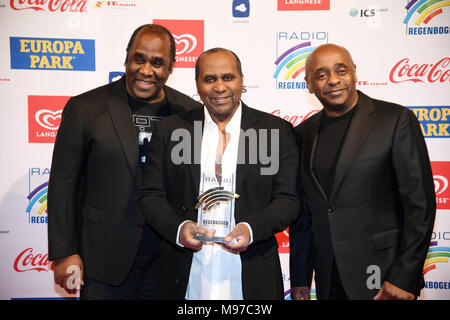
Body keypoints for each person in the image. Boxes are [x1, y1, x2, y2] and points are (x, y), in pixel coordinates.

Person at [47, 24, 202, 299]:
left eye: (157, 63)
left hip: (168, 259)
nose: (145, 70)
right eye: (138, 59)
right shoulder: (85, 108)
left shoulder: (191, 114)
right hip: (103, 260)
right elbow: (63, 185)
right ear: (127, 57)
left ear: (171, 67)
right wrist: (64, 253)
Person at [139, 48, 299, 299]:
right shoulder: (171, 130)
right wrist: (179, 228)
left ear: (242, 80)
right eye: (210, 79)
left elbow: (288, 200)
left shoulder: (275, 131)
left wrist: (251, 228)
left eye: (228, 77)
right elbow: (151, 195)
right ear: (197, 84)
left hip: (252, 270)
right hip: (185, 270)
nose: (219, 87)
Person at [289, 43, 436, 300]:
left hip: (384, 276)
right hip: (328, 279)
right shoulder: (302, 134)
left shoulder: (395, 120)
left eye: (341, 71)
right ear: (309, 84)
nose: (333, 80)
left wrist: (403, 278)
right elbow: (304, 216)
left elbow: (420, 206)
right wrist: (301, 277)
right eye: (321, 75)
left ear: (355, 72)